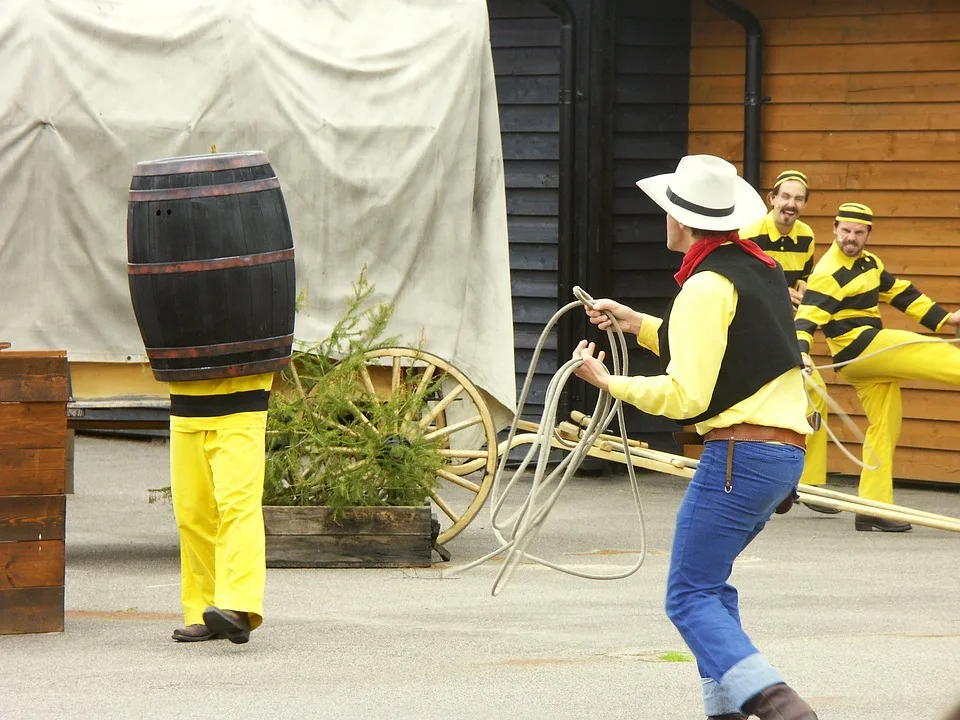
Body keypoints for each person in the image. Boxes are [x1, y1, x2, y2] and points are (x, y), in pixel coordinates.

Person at [574, 154, 818, 720]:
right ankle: (727, 712)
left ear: (679, 221)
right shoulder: (758, 269)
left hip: (741, 455)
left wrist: (612, 383)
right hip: (779, 453)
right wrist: (638, 324)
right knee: (711, 587)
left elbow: (688, 396)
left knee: (688, 595)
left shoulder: (705, 286)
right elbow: (731, 352)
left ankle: (779, 705)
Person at [794, 203, 960, 532]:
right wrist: (800, 353)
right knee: (922, 348)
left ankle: (872, 506)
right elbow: (807, 317)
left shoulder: (870, 264)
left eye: (858, 232)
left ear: (869, 233)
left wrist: (945, 318)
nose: (850, 238)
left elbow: (900, 293)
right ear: (834, 228)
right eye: (845, 231)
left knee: (884, 428)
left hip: (870, 362)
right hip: (860, 350)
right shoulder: (829, 272)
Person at [740, 170, 836, 515]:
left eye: (799, 199)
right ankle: (768, 485)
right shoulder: (750, 232)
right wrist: (783, 293)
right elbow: (746, 280)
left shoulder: (806, 236)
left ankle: (810, 486)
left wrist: (803, 290)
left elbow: (803, 278)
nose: (791, 204)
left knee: (814, 392)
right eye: (786, 197)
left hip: (785, 328)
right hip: (751, 328)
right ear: (773, 199)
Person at [168, 372, 275, 644]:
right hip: (186, 399)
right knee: (191, 512)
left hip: (241, 399)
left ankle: (239, 606)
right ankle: (204, 609)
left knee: (237, 506)